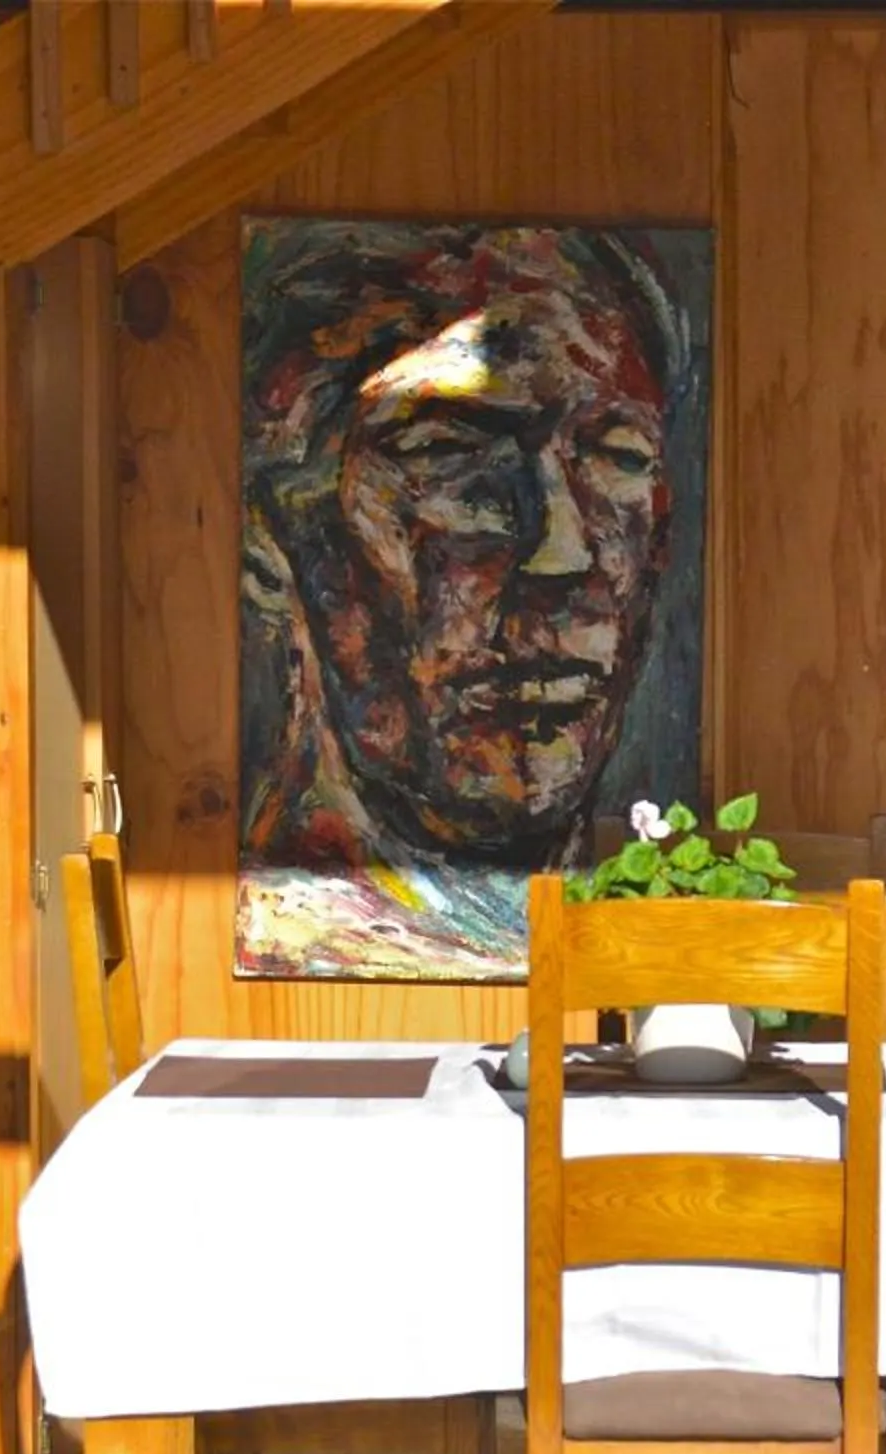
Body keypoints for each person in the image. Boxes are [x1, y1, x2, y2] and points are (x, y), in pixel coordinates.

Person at [237, 222, 694, 978]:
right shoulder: (280, 940)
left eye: (619, 458)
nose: (562, 553)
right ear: (273, 537)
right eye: (447, 454)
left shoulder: (656, 930)